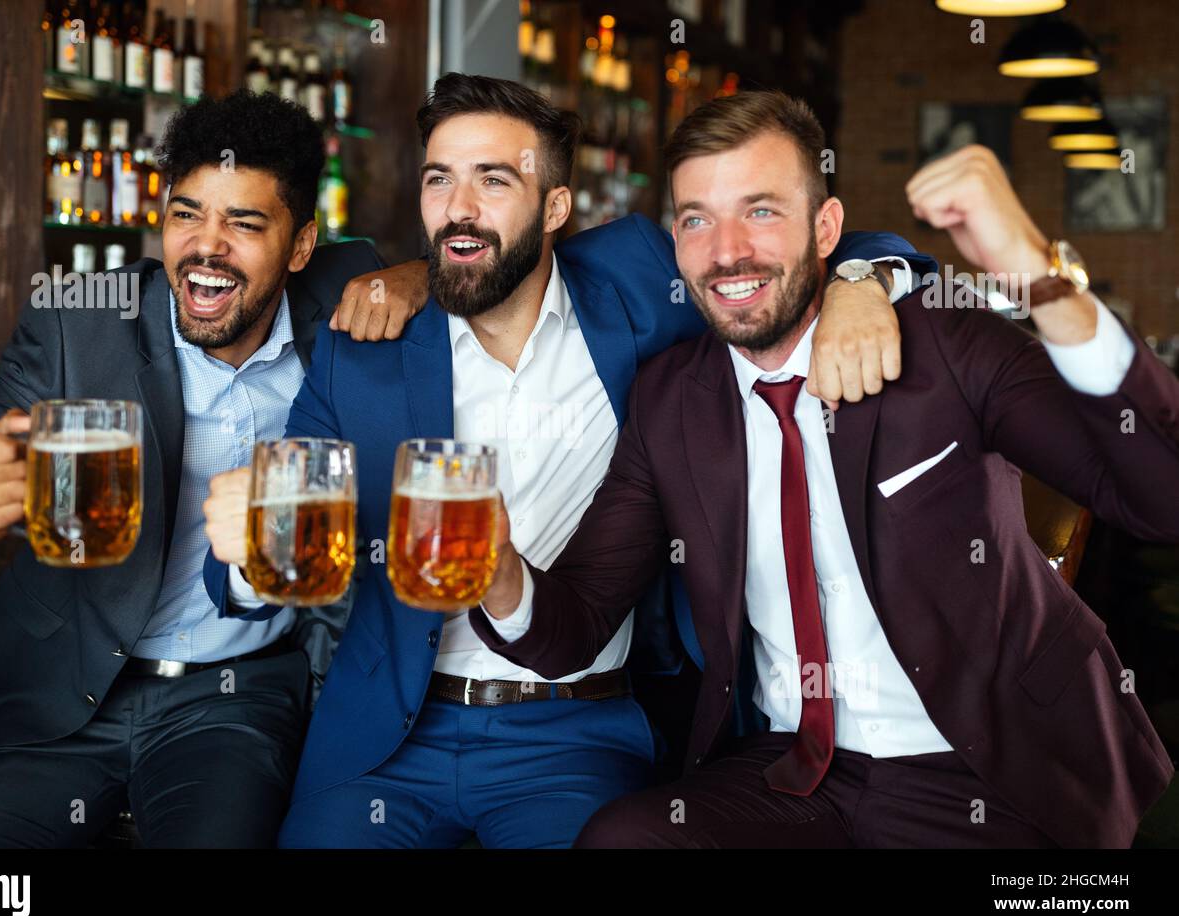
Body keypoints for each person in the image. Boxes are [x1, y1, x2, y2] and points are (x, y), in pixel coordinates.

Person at [201, 73, 936, 848]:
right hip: (389, 740)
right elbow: (244, 571)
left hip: (576, 732)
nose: (460, 206)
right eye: (440, 179)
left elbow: (789, 250)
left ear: (555, 207)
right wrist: (257, 548)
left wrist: (861, 283)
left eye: (494, 180)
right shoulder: (365, 351)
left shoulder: (640, 284)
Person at [471, 90, 1179, 848]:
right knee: (626, 840)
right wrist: (499, 576)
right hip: (793, 775)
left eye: (762, 211)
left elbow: (1160, 495)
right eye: (696, 220)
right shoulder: (671, 401)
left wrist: (1035, 275)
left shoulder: (944, 347)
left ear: (827, 229)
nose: (726, 251)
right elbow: (573, 626)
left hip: (994, 770)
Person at [0, 90, 418, 848]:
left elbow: (468, 258)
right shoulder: (78, 321)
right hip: (53, 701)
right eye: (186, 213)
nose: (207, 246)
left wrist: (417, 278)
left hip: (234, 703)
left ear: (301, 248)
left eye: (244, 223)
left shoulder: (345, 295)